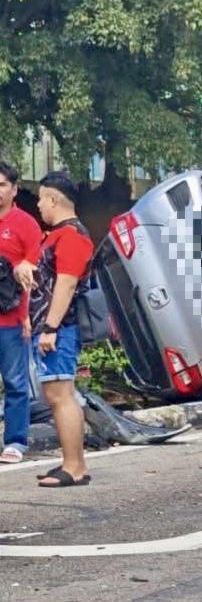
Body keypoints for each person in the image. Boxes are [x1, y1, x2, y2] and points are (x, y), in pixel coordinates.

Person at [15, 171, 94, 487]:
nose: (38, 205)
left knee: (61, 396)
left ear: (52, 199)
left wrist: (50, 327)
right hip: (50, 327)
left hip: (60, 329)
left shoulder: (72, 235)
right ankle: (71, 463)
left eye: (40, 198)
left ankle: (74, 467)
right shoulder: (56, 235)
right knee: (57, 395)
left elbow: (67, 283)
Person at [0, 162, 42, 464]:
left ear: (14, 189)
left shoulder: (26, 225)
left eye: (2, 184)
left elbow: (34, 276)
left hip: (12, 320)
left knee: (15, 383)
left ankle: (15, 441)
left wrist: (28, 315)